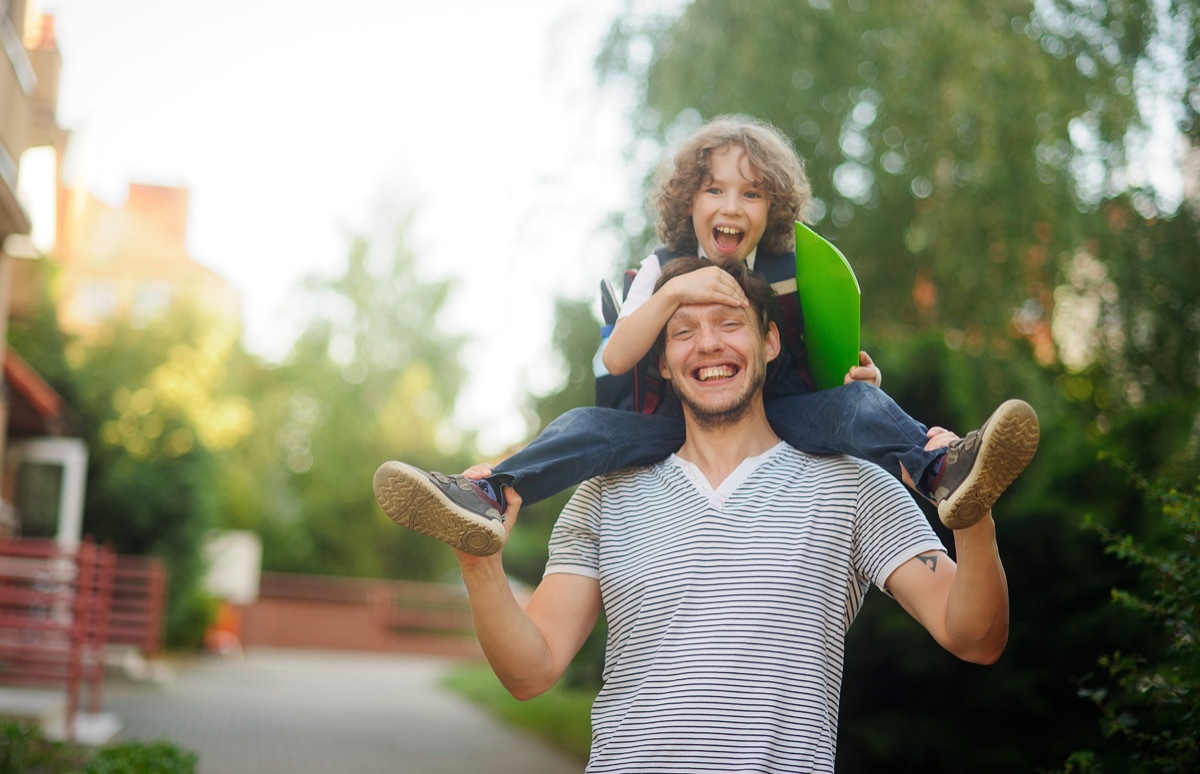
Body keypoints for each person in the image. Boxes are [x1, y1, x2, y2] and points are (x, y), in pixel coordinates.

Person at [451, 258, 1023, 772]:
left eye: (728, 323)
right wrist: (480, 565)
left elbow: (975, 638)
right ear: (664, 364)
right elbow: (531, 672)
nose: (708, 344)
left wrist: (971, 517)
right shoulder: (606, 493)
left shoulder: (853, 484)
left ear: (769, 341)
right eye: (683, 331)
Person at [373, 115, 1039, 556]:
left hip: (780, 415)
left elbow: (827, 368)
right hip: (672, 423)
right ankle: (489, 492)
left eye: (750, 194)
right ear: (687, 202)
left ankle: (941, 469)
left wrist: (852, 385)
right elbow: (613, 356)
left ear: (769, 210)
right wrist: (673, 295)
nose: (730, 205)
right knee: (583, 425)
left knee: (865, 405)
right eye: (714, 189)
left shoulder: (793, 273)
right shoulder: (662, 269)